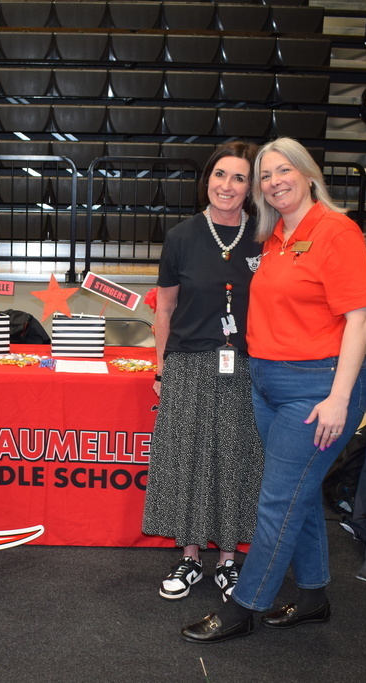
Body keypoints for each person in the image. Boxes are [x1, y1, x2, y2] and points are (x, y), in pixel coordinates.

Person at [180, 137, 366, 643]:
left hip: (316, 388)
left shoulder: (337, 231)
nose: (274, 182)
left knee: (276, 502)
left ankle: (245, 606)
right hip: (267, 383)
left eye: (283, 170)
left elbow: (360, 320)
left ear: (308, 173)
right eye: (265, 175)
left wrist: (338, 397)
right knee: (301, 497)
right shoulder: (276, 236)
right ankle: (313, 597)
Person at [143, 140, 264, 603]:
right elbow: (165, 309)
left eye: (238, 178)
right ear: (207, 180)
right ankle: (191, 557)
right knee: (187, 462)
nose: (227, 185)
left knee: (234, 462)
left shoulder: (266, 236)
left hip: (247, 367)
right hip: (190, 364)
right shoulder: (181, 237)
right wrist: (161, 366)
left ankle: (229, 561)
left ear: (250, 187)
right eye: (220, 175)